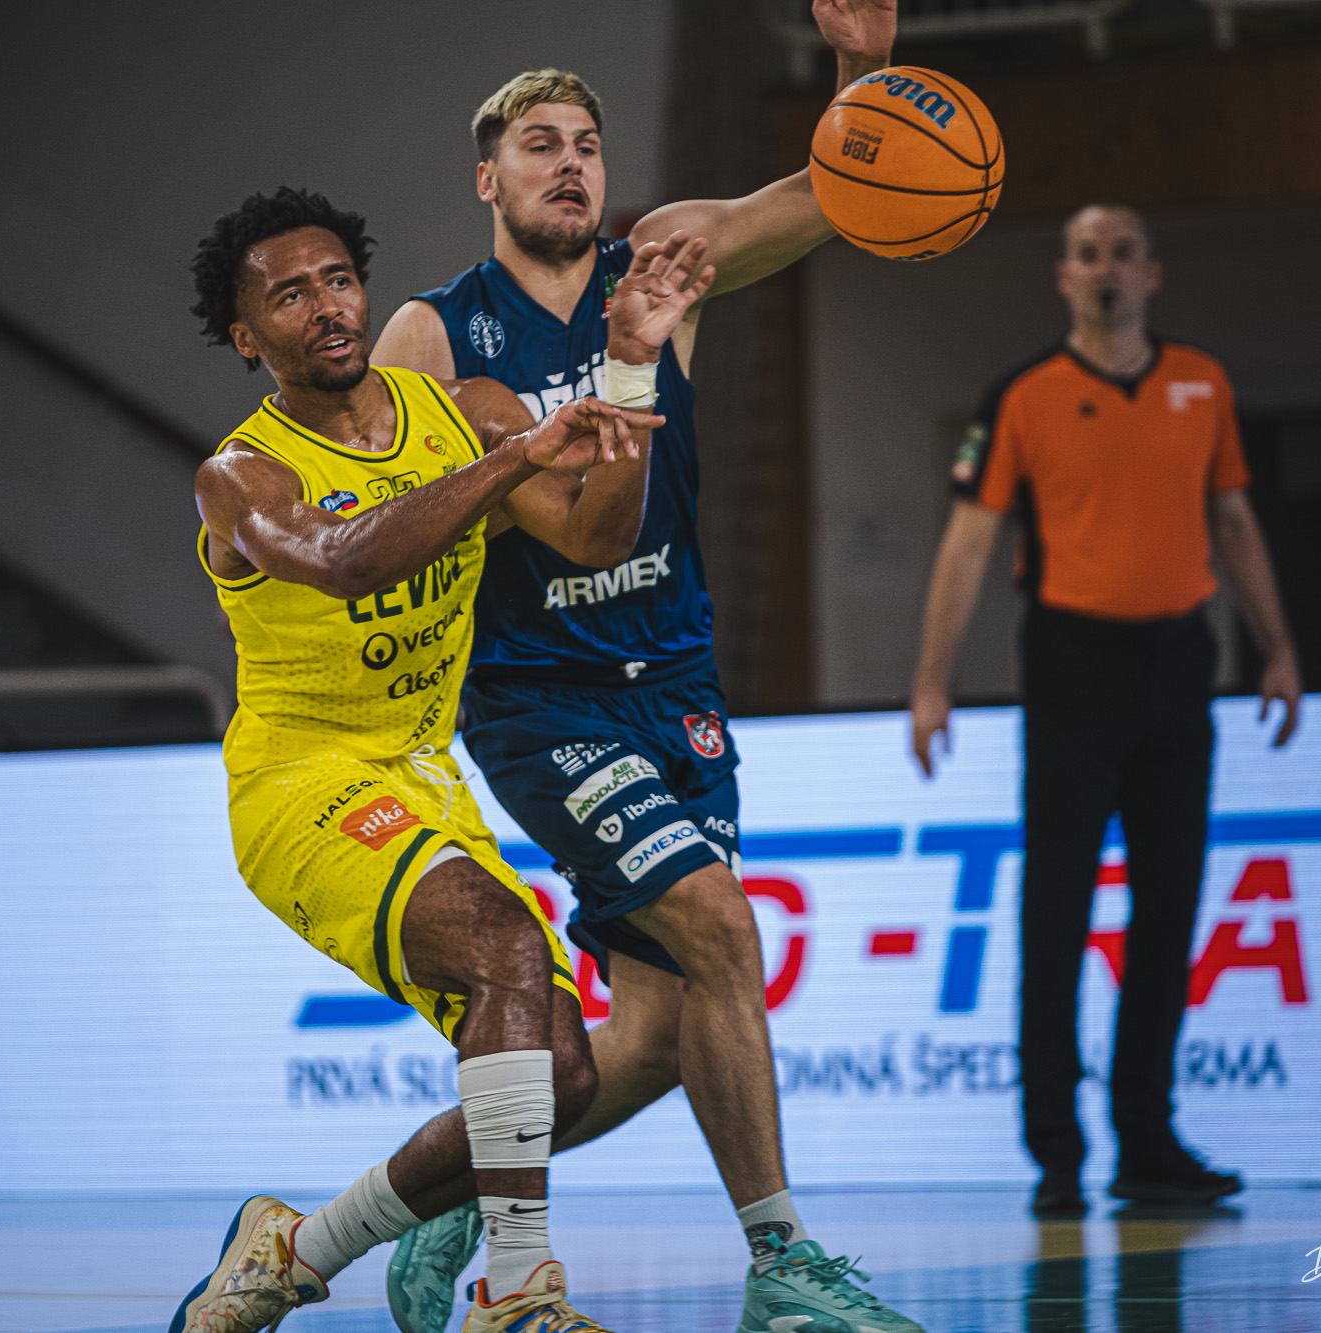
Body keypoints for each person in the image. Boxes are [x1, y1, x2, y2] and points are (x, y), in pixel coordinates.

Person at [371, 4, 922, 1332]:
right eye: (539, 145)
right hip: (539, 699)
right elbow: (398, 528)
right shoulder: (433, 339)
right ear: (488, 180)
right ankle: (783, 1264)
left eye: (585, 144)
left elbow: (836, 193)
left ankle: (446, 1194)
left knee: (664, 1037)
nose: (569, 163)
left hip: (676, 683)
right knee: (724, 925)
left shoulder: (665, 261)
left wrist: (863, 67)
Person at [175, 185, 712, 1333]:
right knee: (509, 945)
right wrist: (508, 460)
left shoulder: (460, 409)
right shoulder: (242, 473)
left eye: (336, 279)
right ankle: (516, 1293)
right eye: (288, 296)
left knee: (560, 1075)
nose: (325, 306)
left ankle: (297, 1246)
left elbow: (596, 534)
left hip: (421, 773)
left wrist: (628, 370)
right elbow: (346, 561)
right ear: (245, 337)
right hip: (299, 784)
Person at [907, 203, 1303, 1216]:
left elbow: (1233, 518)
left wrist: (1277, 646)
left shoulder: (1201, 383)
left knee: (1168, 908)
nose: (1105, 270)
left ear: (1151, 273)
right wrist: (932, 679)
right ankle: (1054, 1149)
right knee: (1057, 908)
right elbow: (968, 542)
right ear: (1063, 277)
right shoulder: (1024, 396)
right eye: (1086, 254)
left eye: (1122, 253)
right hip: (1071, 663)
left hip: (1179, 659)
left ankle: (1146, 1139)